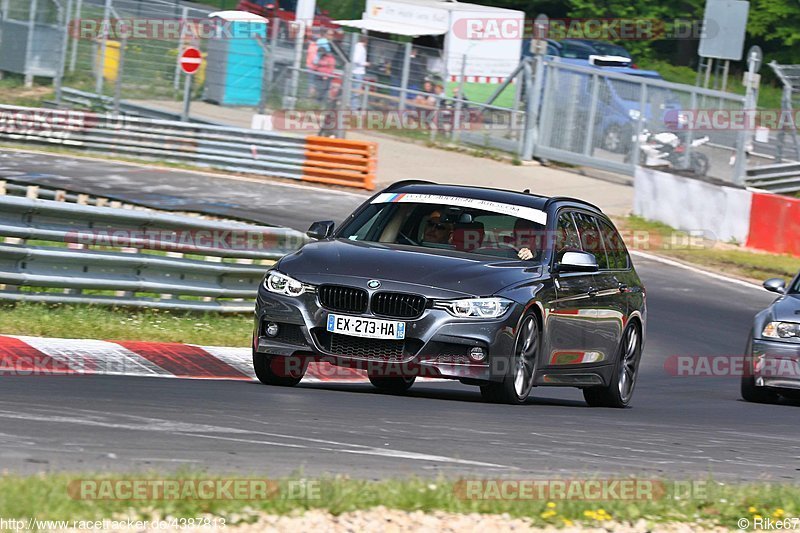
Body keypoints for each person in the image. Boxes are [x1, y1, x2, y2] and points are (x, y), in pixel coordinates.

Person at [351, 35, 368, 110]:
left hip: (353, 71)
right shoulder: (361, 48)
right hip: (359, 72)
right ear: (365, 41)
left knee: (352, 90)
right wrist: (365, 63)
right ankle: (354, 108)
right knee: (356, 91)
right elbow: (356, 60)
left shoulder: (355, 46)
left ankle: (353, 107)